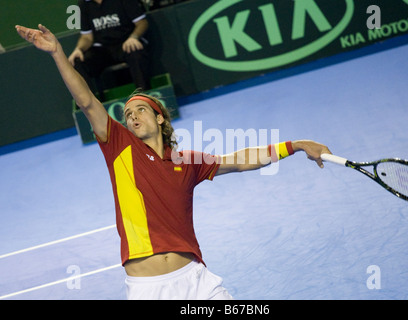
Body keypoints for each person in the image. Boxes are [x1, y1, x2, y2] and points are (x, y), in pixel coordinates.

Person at [16, 24, 332, 300]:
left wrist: (296, 145)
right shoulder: (118, 147)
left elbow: (240, 161)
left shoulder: (187, 161)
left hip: (196, 281)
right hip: (147, 289)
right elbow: (86, 101)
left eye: (139, 109)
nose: (132, 116)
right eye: (127, 115)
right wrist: (57, 52)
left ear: (159, 116)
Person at [68, 0, 151, 97]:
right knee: (78, 61)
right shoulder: (84, 4)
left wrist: (133, 37)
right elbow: (87, 37)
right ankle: (90, 104)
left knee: (135, 51)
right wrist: (78, 49)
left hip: (125, 43)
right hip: (102, 50)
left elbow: (142, 23)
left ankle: (144, 98)